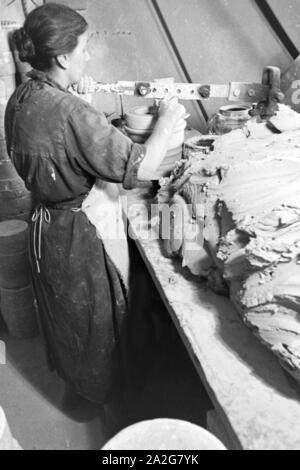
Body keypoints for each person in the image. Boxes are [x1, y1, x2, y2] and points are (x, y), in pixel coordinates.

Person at [5, 3, 186, 409]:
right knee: (97, 321)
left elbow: (57, 141)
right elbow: (142, 166)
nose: (88, 55)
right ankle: (105, 400)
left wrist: (78, 102)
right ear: (64, 57)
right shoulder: (71, 112)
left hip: (46, 226)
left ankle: (80, 389)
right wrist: (166, 123)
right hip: (80, 235)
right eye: (84, 48)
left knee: (66, 316)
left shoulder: (23, 97)